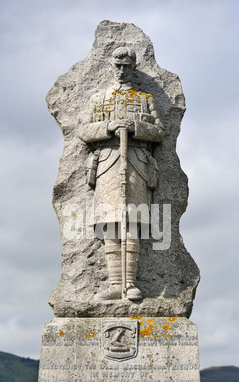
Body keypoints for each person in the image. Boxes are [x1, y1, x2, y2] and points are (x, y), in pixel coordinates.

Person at [79, 46, 165, 300]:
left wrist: (136, 127)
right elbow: (84, 131)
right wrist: (109, 126)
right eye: (117, 65)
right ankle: (116, 284)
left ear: (133, 67)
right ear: (110, 66)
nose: (121, 70)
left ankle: (130, 283)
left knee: (133, 223)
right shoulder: (98, 99)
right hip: (106, 162)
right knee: (110, 224)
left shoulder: (144, 98)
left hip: (136, 162)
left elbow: (160, 131)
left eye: (127, 66)